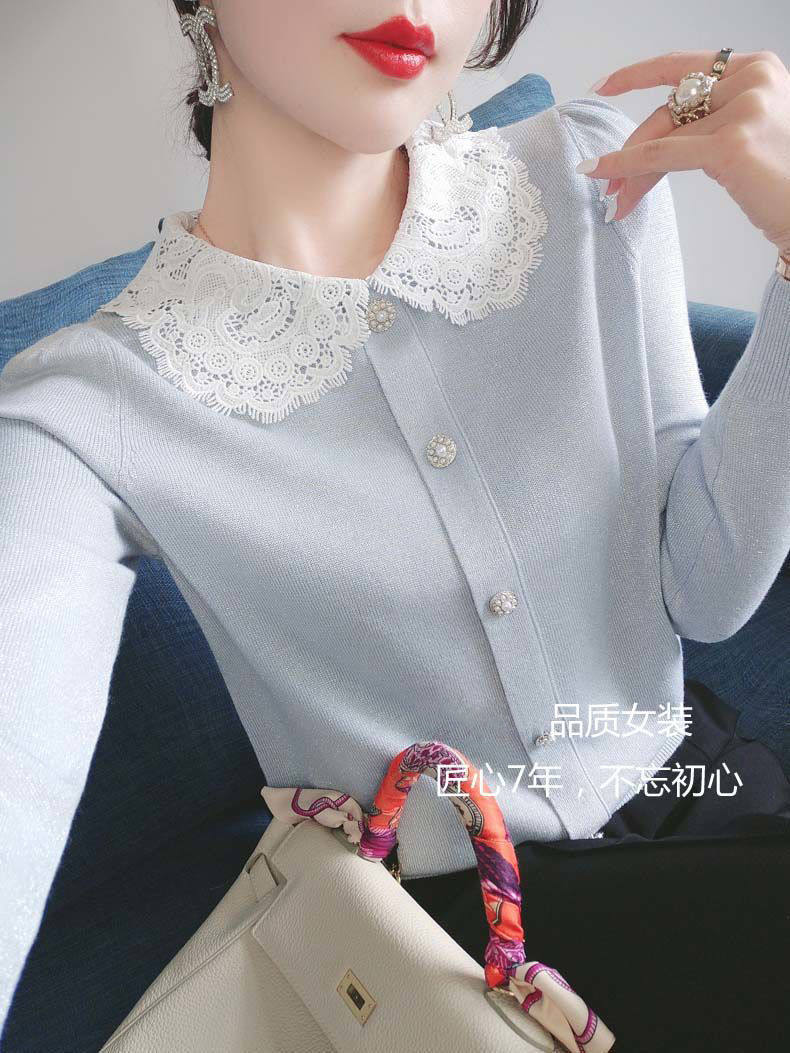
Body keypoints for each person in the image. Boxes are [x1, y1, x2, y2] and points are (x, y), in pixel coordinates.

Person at [1, 1, 789, 1049]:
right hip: (454, 954)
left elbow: (708, 588)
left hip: (708, 787)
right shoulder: (89, 403)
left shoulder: (597, 171)